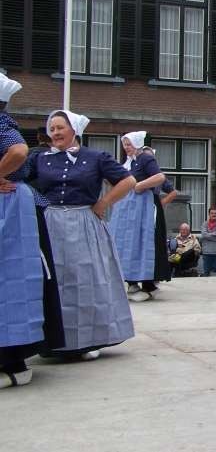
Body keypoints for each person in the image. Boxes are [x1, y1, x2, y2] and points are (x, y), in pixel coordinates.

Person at [28, 110, 135, 360]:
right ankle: (53, 340)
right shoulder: (40, 158)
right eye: (52, 128)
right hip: (51, 224)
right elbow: (18, 177)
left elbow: (128, 181)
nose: (55, 133)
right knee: (54, 281)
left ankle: (88, 340)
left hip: (84, 223)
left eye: (60, 127)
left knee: (85, 280)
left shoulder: (95, 157)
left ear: (74, 130)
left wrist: (103, 203)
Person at [0, 75, 64, 388]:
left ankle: (14, 362)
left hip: (9, 207)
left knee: (12, 279)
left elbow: (18, 151)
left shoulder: (2, 125)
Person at [109, 131, 169, 302]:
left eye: (129, 144)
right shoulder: (128, 162)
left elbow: (160, 177)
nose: (126, 147)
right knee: (126, 242)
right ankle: (132, 283)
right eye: (125, 145)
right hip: (126, 210)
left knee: (140, 242)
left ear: (137, 143)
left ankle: (143, 283)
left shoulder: (145, 159)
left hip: (140, 208)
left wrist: (139, 185)